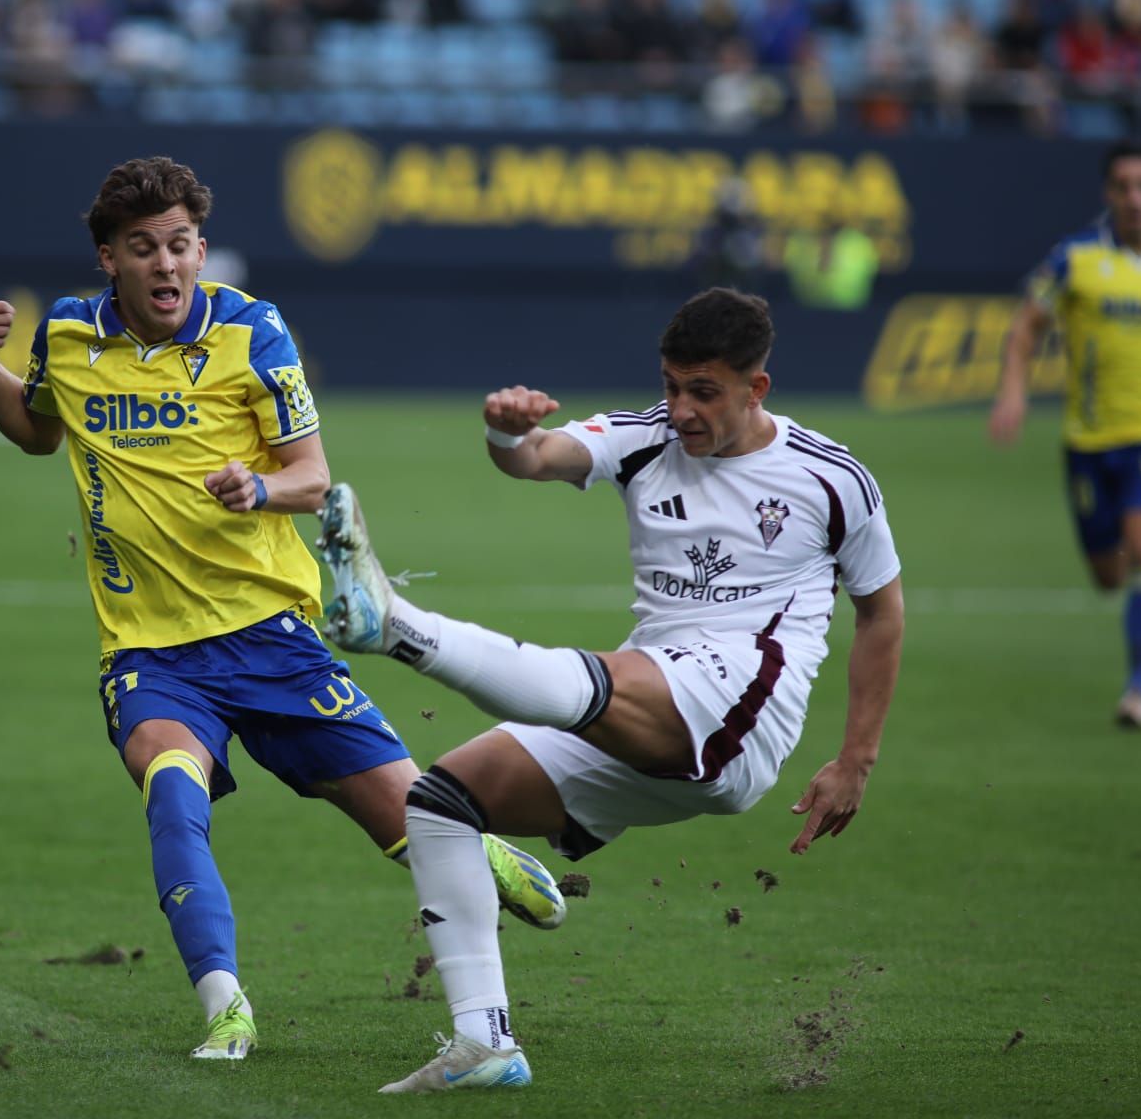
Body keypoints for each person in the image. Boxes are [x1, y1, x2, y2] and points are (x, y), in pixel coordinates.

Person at [0, 156, 566, 1061]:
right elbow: (38, 432)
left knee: (412, 825)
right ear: (107, 259)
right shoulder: (70, 334)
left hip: (273, 634)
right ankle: (225, 1004)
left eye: (179, 246)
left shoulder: (251, 329)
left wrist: (259, 490)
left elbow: (313, 475)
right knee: (172, 794)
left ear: (201, 249)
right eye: (142, 249)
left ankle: (483, 855)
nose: (165, 266)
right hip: (150, 652)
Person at [315, 287, 906, 1092]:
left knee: (594, 684)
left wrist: (855, 760)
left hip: (739, 707)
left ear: (755, 388)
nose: (682, 409)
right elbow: (535, 458)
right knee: (439, 803)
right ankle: (483, 1043)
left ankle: (397, 627)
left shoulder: (832, 480)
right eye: (671, 385)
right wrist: (506, 430)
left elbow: (882, 613)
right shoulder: (643, 438)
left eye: (704, 391)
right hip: (646, 691)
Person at [989, 143, 1141, 729]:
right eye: (1124, 186)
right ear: (1108, 194)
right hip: (1089, 442)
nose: (1135, 198)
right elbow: (1026, 328)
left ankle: (1139, 689)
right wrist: (1014, 392)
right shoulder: (1074, 262)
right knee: (1108, 575)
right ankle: (1134, 612)